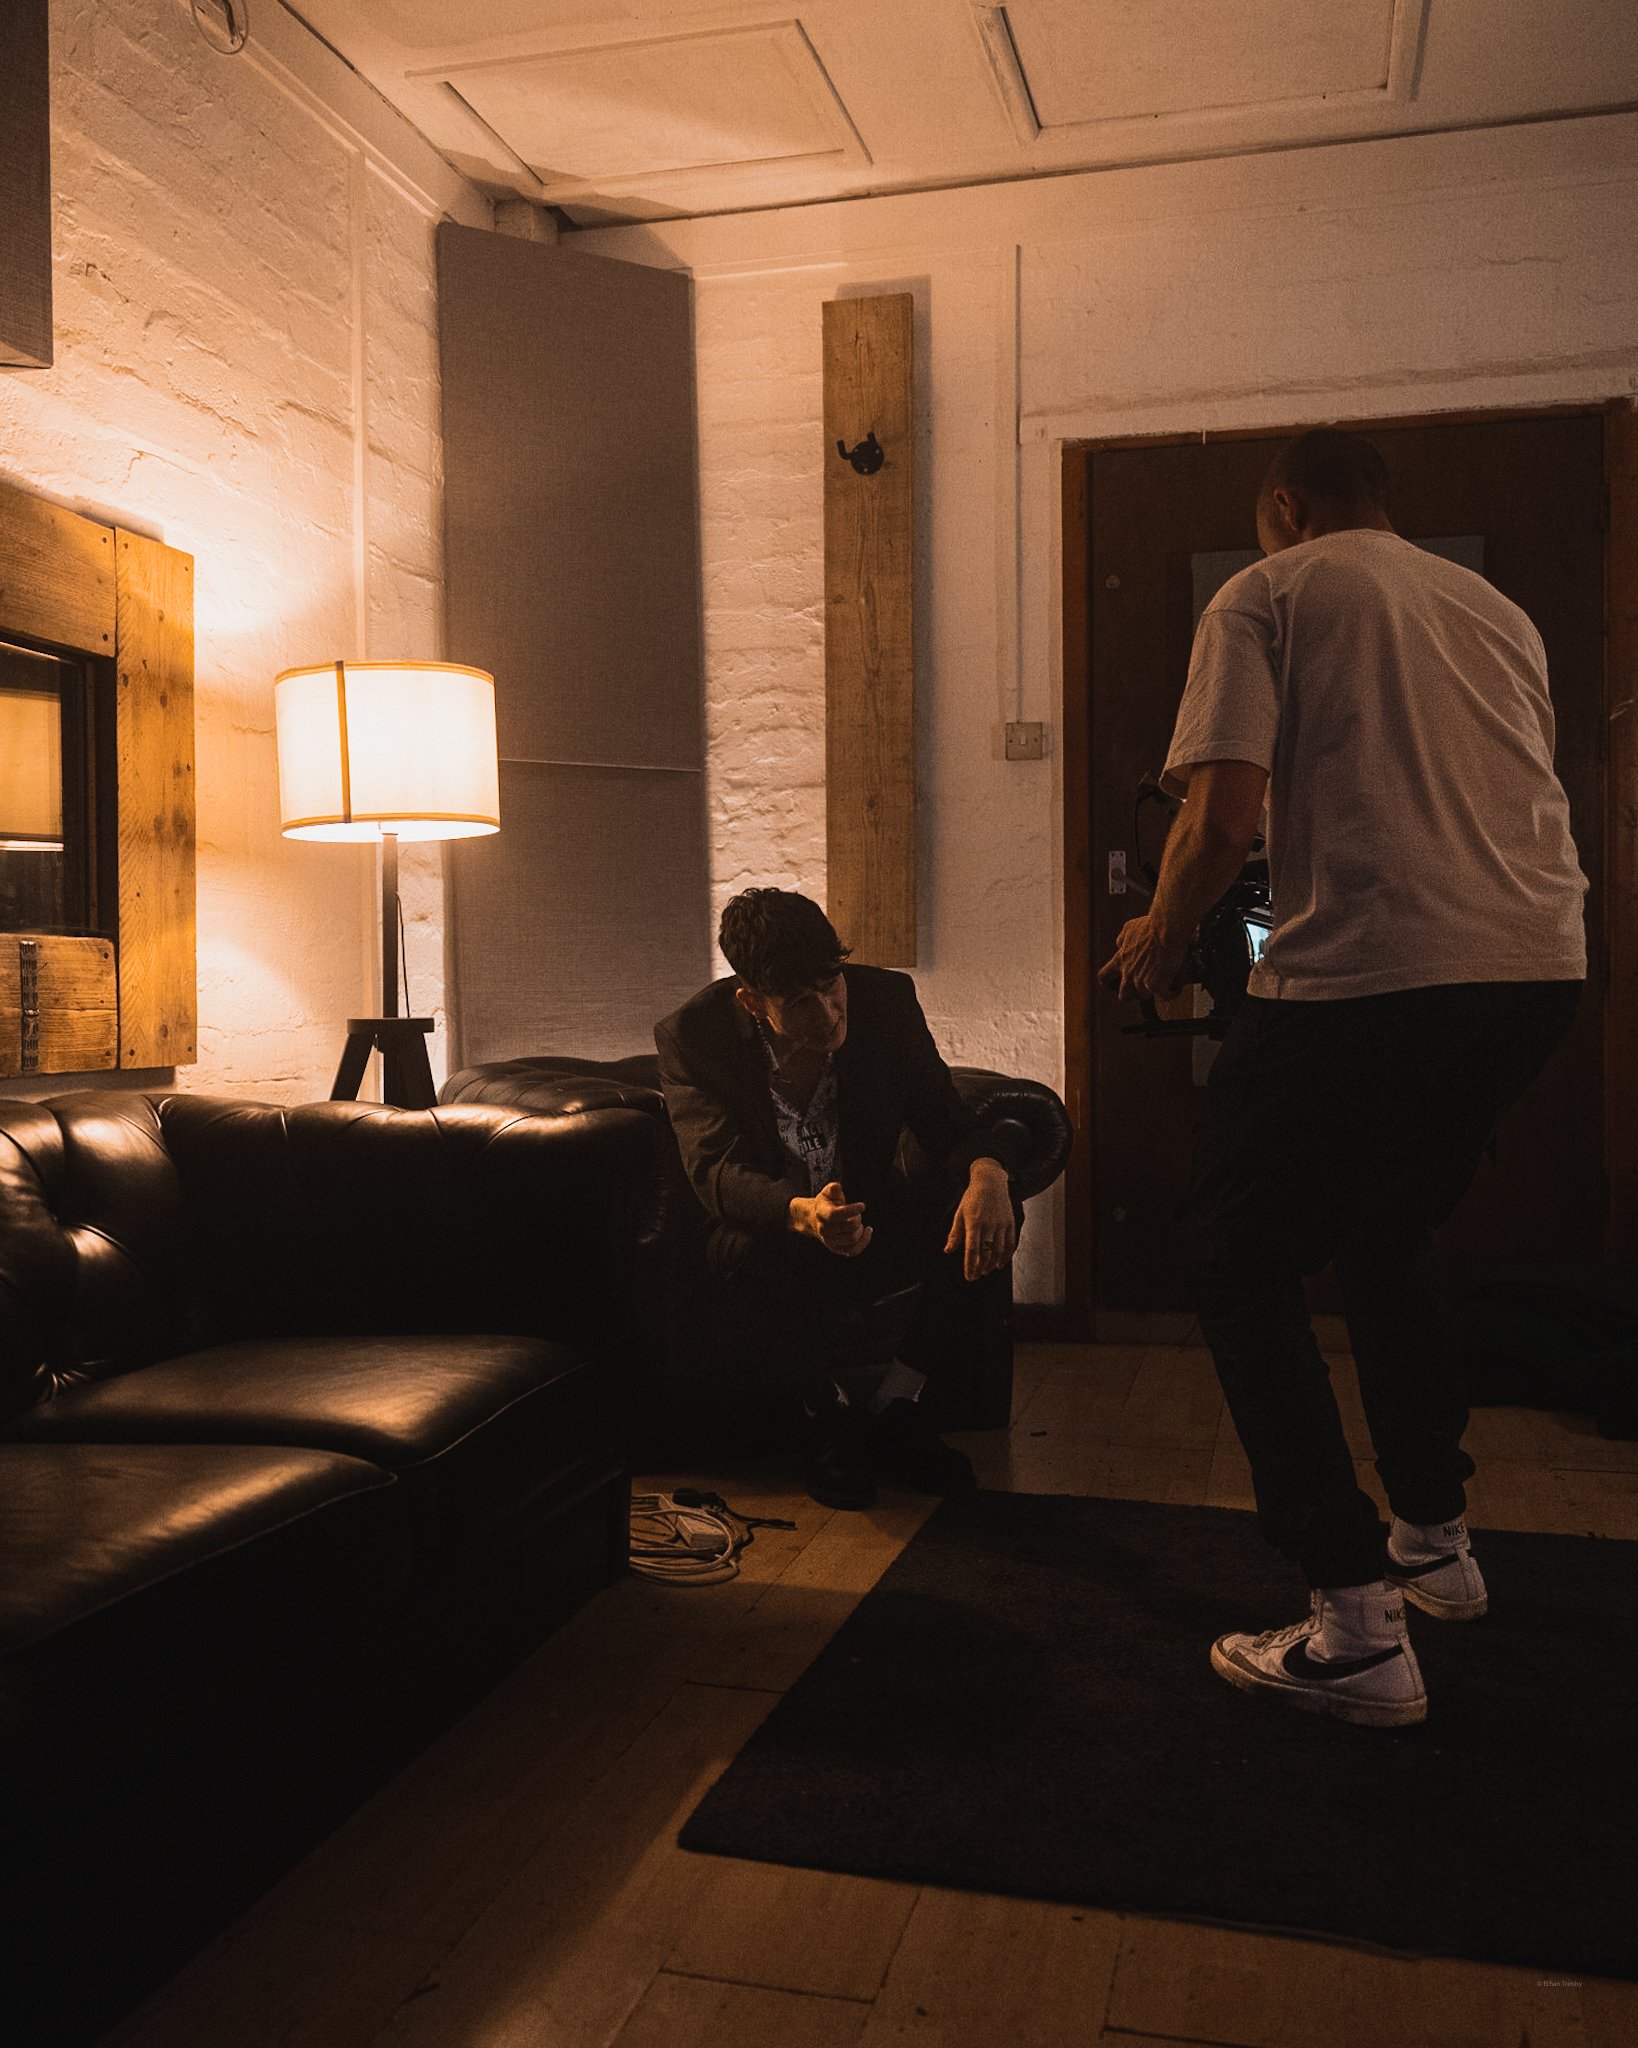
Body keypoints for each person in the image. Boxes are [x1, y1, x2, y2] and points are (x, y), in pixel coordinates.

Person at [1100, 427, 1587, 1728]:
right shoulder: (1490, 609)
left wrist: (1157, 938)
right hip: (1535, 965)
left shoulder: (1266, 590)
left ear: (1280, 505)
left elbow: (1219, 818)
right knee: (1384, 1234)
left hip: (1380, 965)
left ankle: (1351, 1620)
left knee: (1231, 1254)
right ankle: (1437, 1549)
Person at [655, 888, 1024, 1510]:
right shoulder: (695, 1035)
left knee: (984, 1215)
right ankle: (830, 1418)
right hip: (777, 1231)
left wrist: (990, 1173)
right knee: (742, 1252)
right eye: (799, 1003)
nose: (827, 1015)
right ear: (751, 1001)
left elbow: (944, 1119)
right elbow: (716, 1171)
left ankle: (898, 1406)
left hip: (871, 1215)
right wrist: (803, 1212)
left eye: (832, 987)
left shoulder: (884, 1001)